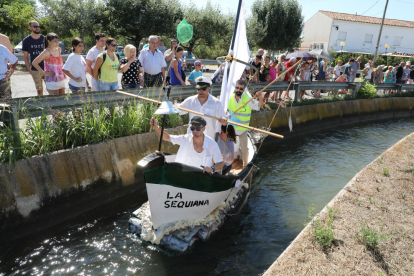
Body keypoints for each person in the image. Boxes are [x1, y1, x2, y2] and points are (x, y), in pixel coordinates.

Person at [150, 116, 224, 174]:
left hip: (201, 178)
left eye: (198, 128)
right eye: (192, 128)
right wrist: (156, 127)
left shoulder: (212, 144)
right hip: (182, 175)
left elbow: (220, 162)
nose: (194, 131)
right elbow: (167, 137)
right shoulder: (185, 139)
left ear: (204, 128)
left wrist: (212, 169)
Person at [227, 79, 263, 167]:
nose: (238, 90)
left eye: (241, 89)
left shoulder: (248, 99)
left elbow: (260, 105)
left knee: (244, 149)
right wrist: (227, 113)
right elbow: (226, 110)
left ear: (244, 90)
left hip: (243, 129)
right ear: (235, 88)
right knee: (226, 147)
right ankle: (226, 164)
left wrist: (260, 96)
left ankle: (245, 165)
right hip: (231, 128)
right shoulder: (230, 98)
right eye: (237, 88)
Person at [23, 20, 45, 96]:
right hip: (35, 69)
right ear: (30, 27)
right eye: (35, 27)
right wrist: (29, 69)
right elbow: (25, 57)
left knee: (51, 89)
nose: (37, 28)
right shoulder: (26, 40)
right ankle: (41, 106)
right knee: (39, 91)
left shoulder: (44, 39)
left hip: (47, 68)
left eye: (38, 26)